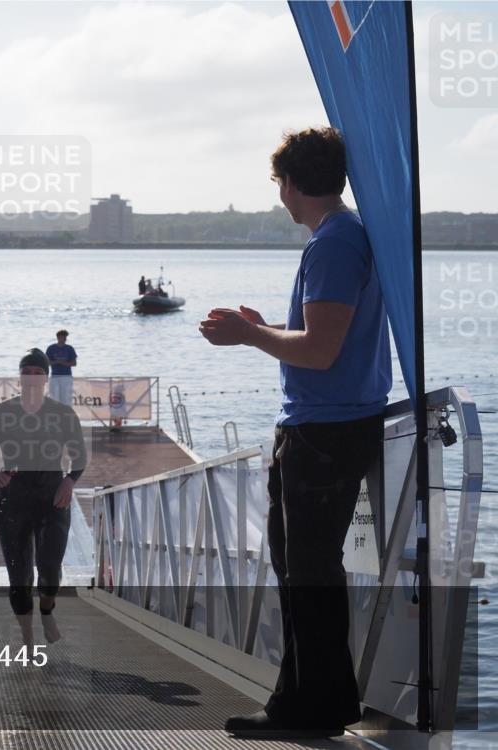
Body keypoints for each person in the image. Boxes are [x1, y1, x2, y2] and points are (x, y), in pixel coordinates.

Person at [199, 127, 390, 739]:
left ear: (291, 182)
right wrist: (266, 327)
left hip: (324, 432)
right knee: (303, 569)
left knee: (306, 571)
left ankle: (311, 709)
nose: (277, 194)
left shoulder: (332, 243)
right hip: (330, 426)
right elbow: (319, 336)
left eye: (277, 181)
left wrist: (248, 336)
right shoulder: (343, 237)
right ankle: (309, 703)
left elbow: (320, 351)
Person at [0, 348, 87, 649]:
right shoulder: (0, 413)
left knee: (49, 569)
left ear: (46, 378)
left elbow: (80, 457)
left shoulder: (62, 414)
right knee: (19, 575)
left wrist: (69, 481)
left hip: (53, 498)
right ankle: (28, 638)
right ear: (19, 378)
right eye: (27, 372)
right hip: (14, 499)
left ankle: (47, 610)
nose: (32, 378)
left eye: (38, 372)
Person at [45, 330, 77, 406]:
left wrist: (64, 363)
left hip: (66, 376)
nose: (65, 339)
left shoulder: (69, 348)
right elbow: (46, 362)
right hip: (55, 376)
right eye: (63, 337)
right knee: (54, 399)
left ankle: (67, 415)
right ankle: (55, 415)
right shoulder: (51, 348)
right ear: (58, 337)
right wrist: (56, 362)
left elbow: (74, 363)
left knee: (66, 399)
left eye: (66, 337)